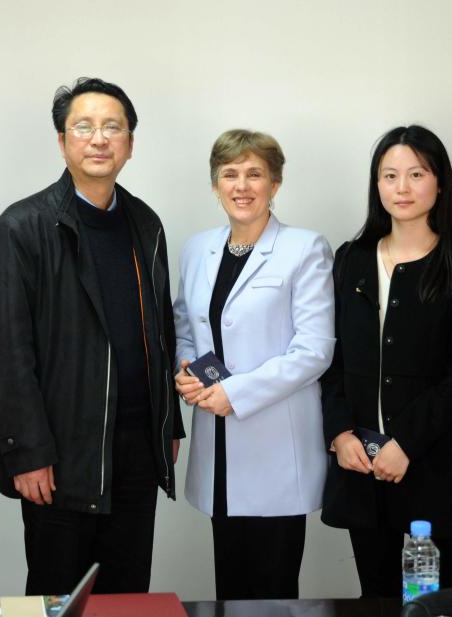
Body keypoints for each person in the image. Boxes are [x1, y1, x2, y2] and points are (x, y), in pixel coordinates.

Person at [0, 77, 184, 595]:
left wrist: (169, 423)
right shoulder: (23, 226)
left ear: (130, 144)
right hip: (61, 451)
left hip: (137, 449)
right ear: (62, 141)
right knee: (58, 596)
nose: (99, 139)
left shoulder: (146, 223)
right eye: (84, 127)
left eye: (112, 127)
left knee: (126, 594)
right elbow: (6, 352)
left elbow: (160, 334)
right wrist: (27, 450)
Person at [320, 125, 452, 597]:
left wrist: (406, 443)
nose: (402, 187)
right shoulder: (352, 259)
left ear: (439, 182)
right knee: (376, 600)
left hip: (435, 468)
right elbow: (331, 359)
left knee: (432, 602)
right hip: (362, 465)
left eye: (416, 174)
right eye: (389, 175)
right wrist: (339, 433)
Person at [173, 129, 334, 600]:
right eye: (230, 174)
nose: (241, 186)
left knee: (273, 591)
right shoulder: (197, 248)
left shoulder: (304, 248)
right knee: (230, 587)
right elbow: (185, 326)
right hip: (217, 447)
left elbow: (314, 350)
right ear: (215, 184)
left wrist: (235, 393)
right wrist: (186, 370)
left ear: (274, 184)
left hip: (276, 450)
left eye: (254, 174)